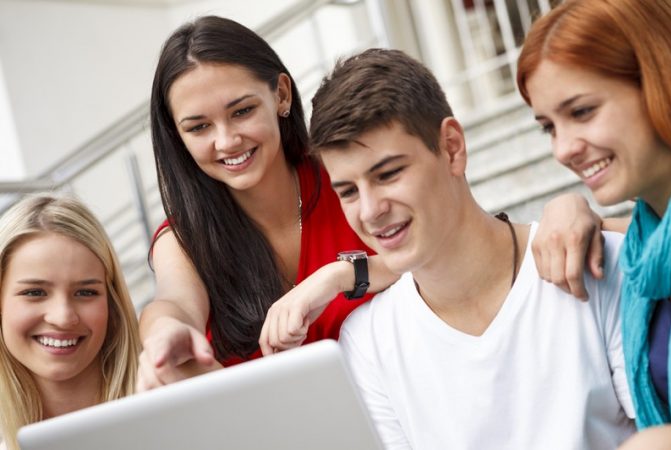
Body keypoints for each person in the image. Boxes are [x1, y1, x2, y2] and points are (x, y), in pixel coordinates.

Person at [307, 47, 635, 449]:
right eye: (348, 191)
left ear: (451, 147)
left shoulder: (594, 263)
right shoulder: (367, 343)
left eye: (389, 173)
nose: (371, 210)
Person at [515, 0, 671, 448]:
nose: (563, 149)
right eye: (548, 126)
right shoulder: (648, 250)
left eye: (581, 111)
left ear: (661, 82)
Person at [138, 15, 397, 389]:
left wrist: (338, 277)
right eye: (199, 127)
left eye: (242, 111)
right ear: (177, 136)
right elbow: (175, 302)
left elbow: (430, 255)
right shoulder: (182, 239)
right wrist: (165, 332)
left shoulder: (340, 175)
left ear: (281, 95)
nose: (226, 141)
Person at [0, 194, 140, 450]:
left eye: (86, 293)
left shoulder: (171, 393)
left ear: (111, 303)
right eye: (34, 292)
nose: (63, 317)